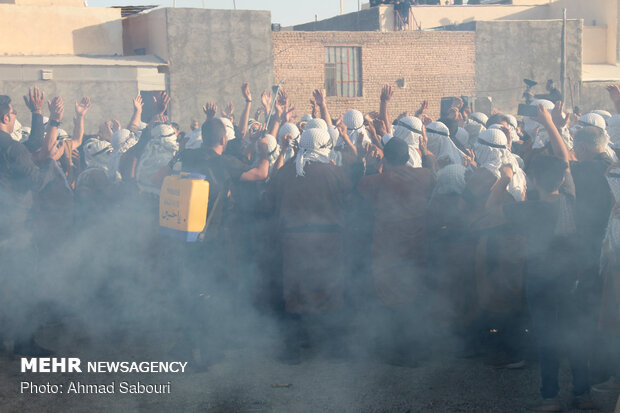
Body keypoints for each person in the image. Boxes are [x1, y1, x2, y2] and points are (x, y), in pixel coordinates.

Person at [263, 127, 352, 363]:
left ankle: (293, 350)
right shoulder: (334, 172)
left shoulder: (285, 172)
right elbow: (349, 199)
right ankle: (333, 348)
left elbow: (268, 201)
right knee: (329, 290)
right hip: (329, 240)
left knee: (295, 291)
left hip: (294, 240)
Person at [357, 136, 435, 366]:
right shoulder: (425, 177)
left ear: (385, 158)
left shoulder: (376, 180)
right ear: (408, 156)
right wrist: (427, 151)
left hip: (387, 250)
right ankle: (417, 350)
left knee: (389, 300)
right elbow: (432, 174)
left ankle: (396, 351)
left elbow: (362, 186)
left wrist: (372, 165)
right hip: (416, 246)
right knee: (414, 296)